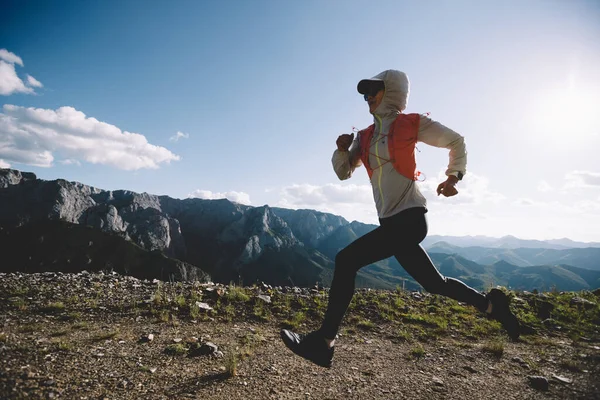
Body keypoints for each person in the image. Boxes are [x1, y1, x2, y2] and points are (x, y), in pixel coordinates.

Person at [280, 69, 520, 368]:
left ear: (391, 92)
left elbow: (456, 141)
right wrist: (341, 151)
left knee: (346, 260)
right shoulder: (365, 136)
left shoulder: (411, 123)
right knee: (436, 283)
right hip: (391, 224)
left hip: (410, 219)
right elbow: (343, 173)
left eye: (373, 91)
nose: (367, 98)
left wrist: (453, 177)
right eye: (365, 94)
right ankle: (492, 306)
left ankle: (323, 343)